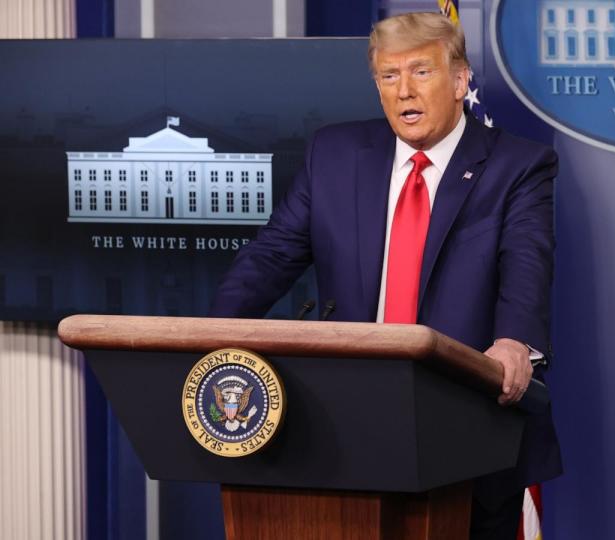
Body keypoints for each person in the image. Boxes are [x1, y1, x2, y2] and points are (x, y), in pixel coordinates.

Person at [209, 11, 561, 539]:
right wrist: (211, 333)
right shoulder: (335, 153)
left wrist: (515, 342)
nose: (404, 92)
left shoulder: (518, 165)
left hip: (466, 420)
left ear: (461, 80)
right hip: (345, 421)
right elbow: (271, 254)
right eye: (389, 77)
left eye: (421, 72)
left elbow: (526, 261)